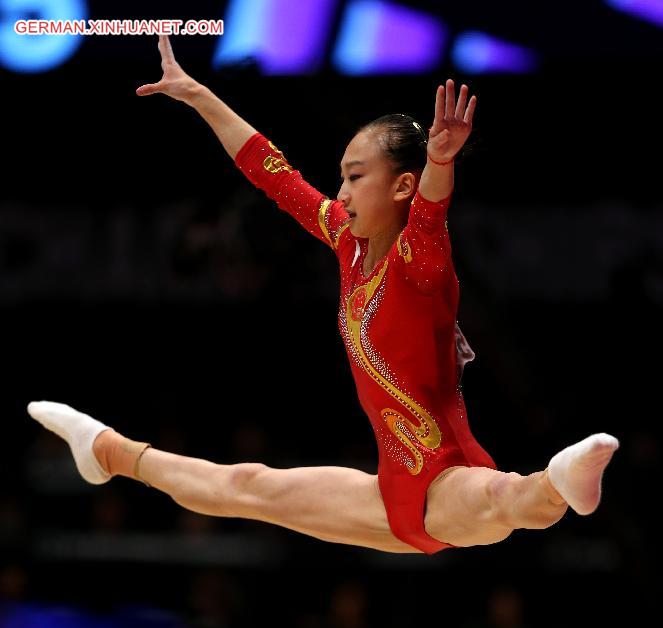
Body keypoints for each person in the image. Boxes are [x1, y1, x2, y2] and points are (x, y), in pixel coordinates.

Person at [27, 37, 619, 556]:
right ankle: (105, 451)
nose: (342, 192)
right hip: (389, 495)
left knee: (504, 500)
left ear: (402, 186)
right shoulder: (345, 242)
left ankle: (557, 479)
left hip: (447, 481)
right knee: (245, 487)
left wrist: (441, 159)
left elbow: (433, 212)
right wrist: (197, 95)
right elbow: (273, 172)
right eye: (341, 176)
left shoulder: (420, 263)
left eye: (356, 176)